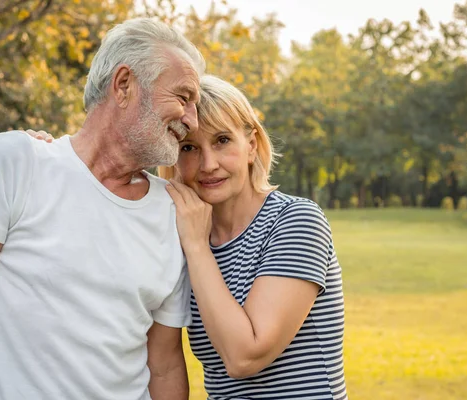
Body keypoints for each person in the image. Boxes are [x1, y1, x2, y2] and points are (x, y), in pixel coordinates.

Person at [0, 18, 205, 400]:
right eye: (183, 98)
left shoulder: (174, 213)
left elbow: (165, 365)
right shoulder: (14, 162)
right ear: (123, 85)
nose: (192, 120)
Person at [31, 75, 348, 399]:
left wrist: (196, 247)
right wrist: (50, 162)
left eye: (222, 140)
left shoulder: (296, 221)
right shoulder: (178, 231)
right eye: (189, 147)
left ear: (251, 145)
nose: (208, 164)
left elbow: (245, 356)